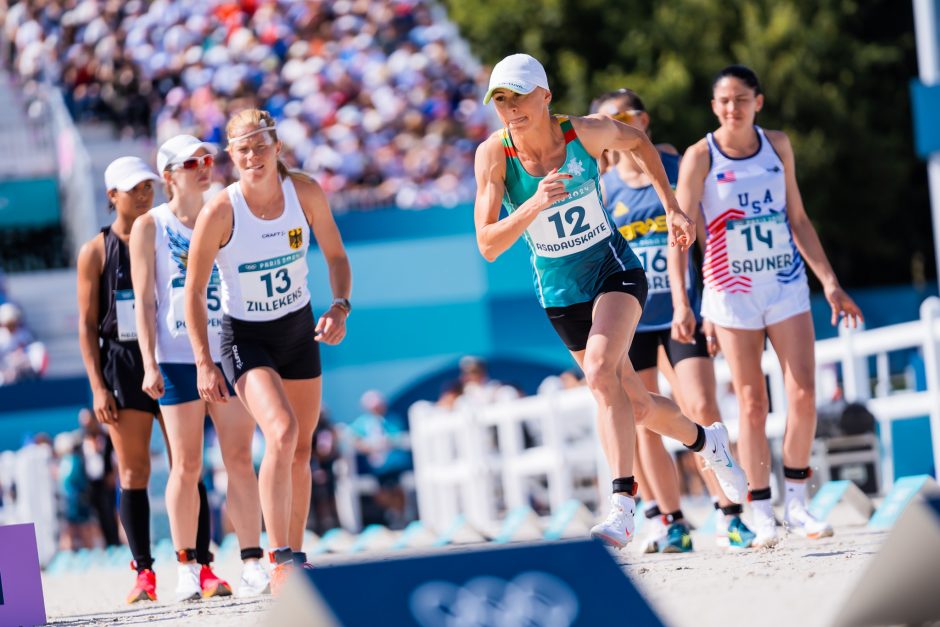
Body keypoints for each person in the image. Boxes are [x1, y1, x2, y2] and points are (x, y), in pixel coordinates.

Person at [473, 53, 748, 549]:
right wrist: (536, 202)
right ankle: (709, 441)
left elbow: (640, 142)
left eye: (518, 97)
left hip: (614, 270)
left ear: (545, 96)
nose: (510, 109)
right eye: (501, 100)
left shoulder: (587, 133)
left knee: (600, 371)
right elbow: (487, 244)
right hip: (559, 293)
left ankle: (623, 505)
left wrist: (674, 208)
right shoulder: (494, 155)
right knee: (636, 405)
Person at [673, 65, 863, 547]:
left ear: (758, 101)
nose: (732, 108)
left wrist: (831, 282)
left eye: (741, 99)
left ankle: (797, 502)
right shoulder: (700, 156)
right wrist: (687, 302)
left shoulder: (777, 146)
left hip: (784, 284)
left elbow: (797, 218)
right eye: (723, 101)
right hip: (731, 292)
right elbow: (680, 237)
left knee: (802, 393)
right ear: (713, 107)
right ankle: (759, 509)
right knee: (752, 402)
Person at [184, 109, 351, 594]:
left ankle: (295, 557)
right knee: (279, 431)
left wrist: (340, 307)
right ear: (230, 158)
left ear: (278, 148)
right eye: (242, 151)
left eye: (260, 147)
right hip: (245, 336)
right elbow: (193, 291)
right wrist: (202, 359)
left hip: (298, 329)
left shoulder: (305, 192)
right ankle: (276, 557)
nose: (253, 157)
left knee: (301, 449)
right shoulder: (222, 209)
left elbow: (337, 255)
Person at [593, 88, 757, 551]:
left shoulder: (674, 168)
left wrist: (707, 307)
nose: (618, 125)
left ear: (643, 120)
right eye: (607, 119)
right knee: (643, 418)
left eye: (626, 116)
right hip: (632, 321)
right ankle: (672, 521)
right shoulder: (603, 187)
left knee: (702, 408)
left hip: (680, 314)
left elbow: (705, 242)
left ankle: (731, 516)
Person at [129, 134, 269, 600]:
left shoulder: (225, 208)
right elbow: (145, 301)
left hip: (225, 350)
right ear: (169, 175)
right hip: (175, 356)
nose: (205, 166)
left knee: (238, 461)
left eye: (207, 159)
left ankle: (253, 560)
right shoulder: (151, 224)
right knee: (186, 466)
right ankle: (188, 566)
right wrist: (149, 363)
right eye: (192, 162)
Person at [76, 156, 166, 603]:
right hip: (122, 362)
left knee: (187, 463)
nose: (145, 194)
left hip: (170, 355)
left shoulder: (168, 233)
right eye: (135, 188)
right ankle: (144, 573)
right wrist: (97, 386)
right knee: (134, 470)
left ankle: (201, 565)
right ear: (113, 195)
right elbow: (87, 324)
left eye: (149, 185)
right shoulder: (95, 250)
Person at [346, 390, 412, 529]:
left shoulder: (391, 419)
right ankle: (394, 512)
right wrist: (368, 446)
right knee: (380, 492)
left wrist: (385, 443)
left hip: (393, 463)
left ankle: (401, 515)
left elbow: (397, 437)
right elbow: (353, 439)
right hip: (376, 466)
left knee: (398, 489)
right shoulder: (363, 422)